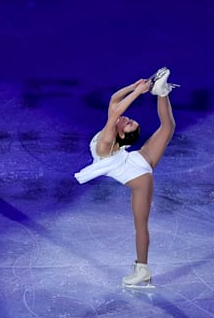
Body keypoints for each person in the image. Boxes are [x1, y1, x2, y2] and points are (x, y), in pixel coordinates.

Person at [75, 67, 178, 287]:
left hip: (138, 171)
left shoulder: (107, 140)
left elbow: (115, 109)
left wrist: (137, 92)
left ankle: (142, 269)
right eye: (131, 120)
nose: (127, 118)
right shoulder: (109, 137)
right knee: (168, 128)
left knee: (141, 224)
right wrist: (134, 87)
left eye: (129, 122)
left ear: (122, 134)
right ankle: (161, 93)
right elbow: (114, 100)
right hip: (136, 166)